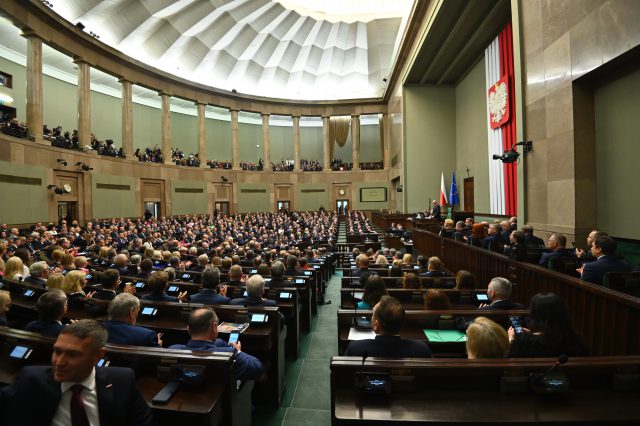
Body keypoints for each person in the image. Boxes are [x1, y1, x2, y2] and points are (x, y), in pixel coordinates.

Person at [0, 319, 154, 426]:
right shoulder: (31, 378)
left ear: (99, 355)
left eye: (72, 354)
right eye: (57, 351)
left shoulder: (123, 380)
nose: (59, 362)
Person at [168, 308, 263, 382]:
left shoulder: (173, 350)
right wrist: (239, 351)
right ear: (214, 327)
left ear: (188, 329)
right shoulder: (229, 354)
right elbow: (257, 368)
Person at [344, 296, 432, 357]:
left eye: (373, 314)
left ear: (376, 325)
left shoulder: (355, 348)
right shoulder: (422, 350)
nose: (371, 317)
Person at [508, 292, 589, 357]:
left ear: (535, 315)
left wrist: (511, 340)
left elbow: (512, 361)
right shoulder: (576, 341)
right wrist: (532, 334)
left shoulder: (526, 343)